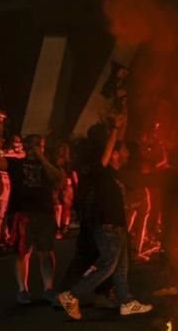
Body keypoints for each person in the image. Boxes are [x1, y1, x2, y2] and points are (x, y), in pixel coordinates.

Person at [57, 115, 153, 320]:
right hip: (108, 225)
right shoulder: (102, 171)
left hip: (117, 225)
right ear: (114, 153)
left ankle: (126, 301)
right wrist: (115, 130)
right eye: (123, 150)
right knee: (108, 264)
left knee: (121, 266)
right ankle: (71, 295)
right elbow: (106, 154)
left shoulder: (113, 173)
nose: (129, 153)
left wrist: (121, 123)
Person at [0, 123, 64, 305]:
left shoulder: (50, 164)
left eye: (39, 145)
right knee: (23, 253)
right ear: (26, 146)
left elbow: (59, 180)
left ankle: (48, 288)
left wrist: (42, 158)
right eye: (32, 145)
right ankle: (23, 289)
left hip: (44, 212)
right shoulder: (16, 163)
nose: (35, 149)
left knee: (46, 251)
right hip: (22, 213)